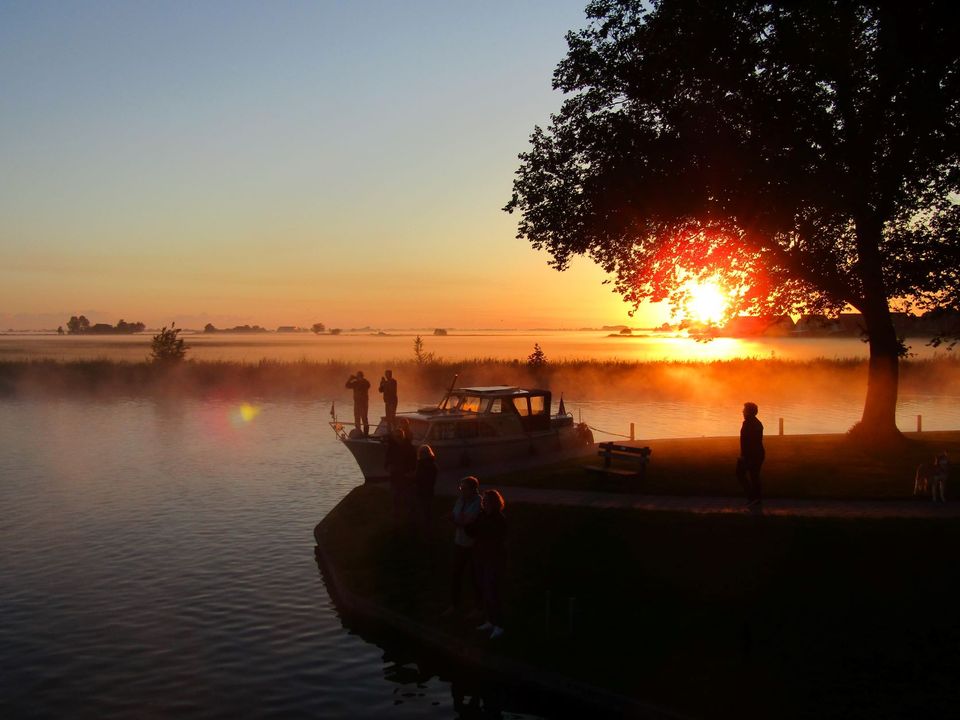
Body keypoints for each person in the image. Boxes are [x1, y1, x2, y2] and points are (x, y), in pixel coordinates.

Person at [443, 476, 482, 617]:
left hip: (472, 545)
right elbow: (457, 517)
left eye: (464, 489)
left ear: (473, 489)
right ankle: (454, 605)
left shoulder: (478, 503)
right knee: (456, 575)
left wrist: (456, 519)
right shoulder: (460, 501)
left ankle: (478, 607)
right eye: (461, 488)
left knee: (475, 577)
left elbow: (465, 521)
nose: (462, 491)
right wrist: (457, 519)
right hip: (459, 542)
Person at [472, 489, 507, 640]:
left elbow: (495, 538)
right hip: (482, 557)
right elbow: (475, 532)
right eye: (483, 500)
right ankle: (490, 620)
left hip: (493, 559)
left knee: (492, 591)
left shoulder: (499, 519)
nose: (483, 502)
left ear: (494, 503)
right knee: (485, 590)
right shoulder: (483, 516)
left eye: (486, 500)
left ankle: (499, 624)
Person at [737, 401, 765, 508]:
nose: (742, 411)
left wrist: (744, 456)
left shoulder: (750, 423)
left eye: (744, 409)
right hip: (755, 454)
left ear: (749, 412)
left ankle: (753, 498)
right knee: (753, 476)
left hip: (753, 455)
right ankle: (755, 498)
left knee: (741, 474)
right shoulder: (753, 422)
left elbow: (750, 442)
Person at [414, 444, 438, 537]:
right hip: (429, 491)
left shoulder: (422, 465)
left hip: (422, 491)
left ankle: (425, 532)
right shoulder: (433, 465)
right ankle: (428, 530)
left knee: (423, 511)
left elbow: (420, 478)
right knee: (427, 511)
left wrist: (412, 478)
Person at [345, 370, 371, 436]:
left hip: (363, 404)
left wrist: (359, 379)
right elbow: (347, 385)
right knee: (357, 418)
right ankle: (358, 433)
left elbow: (368, 385)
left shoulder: (365, 382)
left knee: (364, 418)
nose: (358, 377)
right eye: (357, 376)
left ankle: (366, 434)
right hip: (357, 404)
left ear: (362, 376)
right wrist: (350, 379)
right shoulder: (355, 383)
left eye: (359, 376)